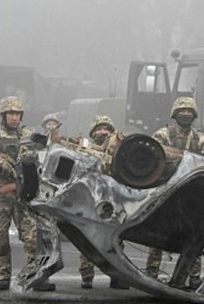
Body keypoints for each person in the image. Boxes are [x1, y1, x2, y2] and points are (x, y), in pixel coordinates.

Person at [0, 96, 56, 291]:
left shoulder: (28, 136)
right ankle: (2, 277)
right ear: (3, 115)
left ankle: (38, 276)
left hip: (24, 195)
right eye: (11, 113)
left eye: (17, 114)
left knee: (33, 239)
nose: (14, 117)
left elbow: (46, 155)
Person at [145, 97, 204, 288]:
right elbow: (153, 161)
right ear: (175, 114)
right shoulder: (162, 135)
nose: (185, 114)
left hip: (192, 195)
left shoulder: (202, 140)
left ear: (194, 115)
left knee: (194, 235)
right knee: (157, 234)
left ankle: (194, 277)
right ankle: (151, 273)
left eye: (189, 111)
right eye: (182, 111)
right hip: (165, 191)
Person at [79, 115, 129, 290]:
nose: (103, 132)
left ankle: (118, 277)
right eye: (99, 129)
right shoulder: (83, 149)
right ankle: (86, 276)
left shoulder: (119, 148)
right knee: (87, 237)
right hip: (91, 199)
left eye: (106, 128)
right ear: (93, 132)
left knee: (116, 239)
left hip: (113, 200)